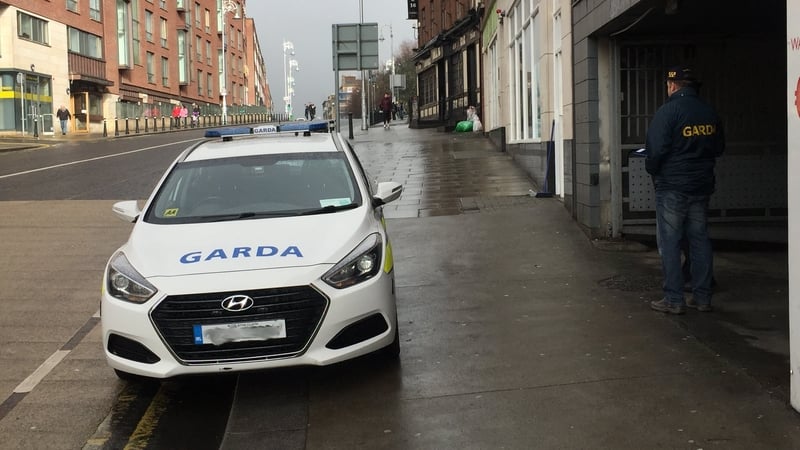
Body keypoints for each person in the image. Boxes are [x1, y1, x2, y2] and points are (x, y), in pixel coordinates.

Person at [645, 66, 725, 314]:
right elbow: (719, 147)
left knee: (670, 242)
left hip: (672, 186)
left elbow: (655, 151)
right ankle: (702, 297)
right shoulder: (709, 111)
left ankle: (673, 299)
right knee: (699, 240)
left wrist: (653, 170)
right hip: (701, 185)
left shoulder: (668, 111)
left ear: (672, 86)